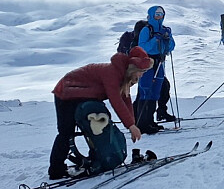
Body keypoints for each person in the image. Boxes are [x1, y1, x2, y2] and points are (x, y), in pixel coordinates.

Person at [49, 46, 152, 179]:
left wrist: (132, 124)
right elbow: (116, 100)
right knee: (66, 132)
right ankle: (56, 170)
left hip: (81, 95)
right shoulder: (112, 73)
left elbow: (125, 98)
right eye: (141, 71)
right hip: (67, 91)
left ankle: (97, 158)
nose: (142, 75)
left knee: (96, 127)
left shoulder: (123, 75)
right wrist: (131, 126)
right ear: (133, 69)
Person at [134, 5, 176, 134]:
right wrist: (155, 39)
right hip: (147, 62)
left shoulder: (163, 29)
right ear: (151, 15)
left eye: (161, 14)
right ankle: (142, 123)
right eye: (157, 14)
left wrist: (167, 38)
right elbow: (143, 47)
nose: (159, 17)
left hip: (160, 61)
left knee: (155, 92)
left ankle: (150, 121)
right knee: (146, 90)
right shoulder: (147, 30)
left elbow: (171, 47)